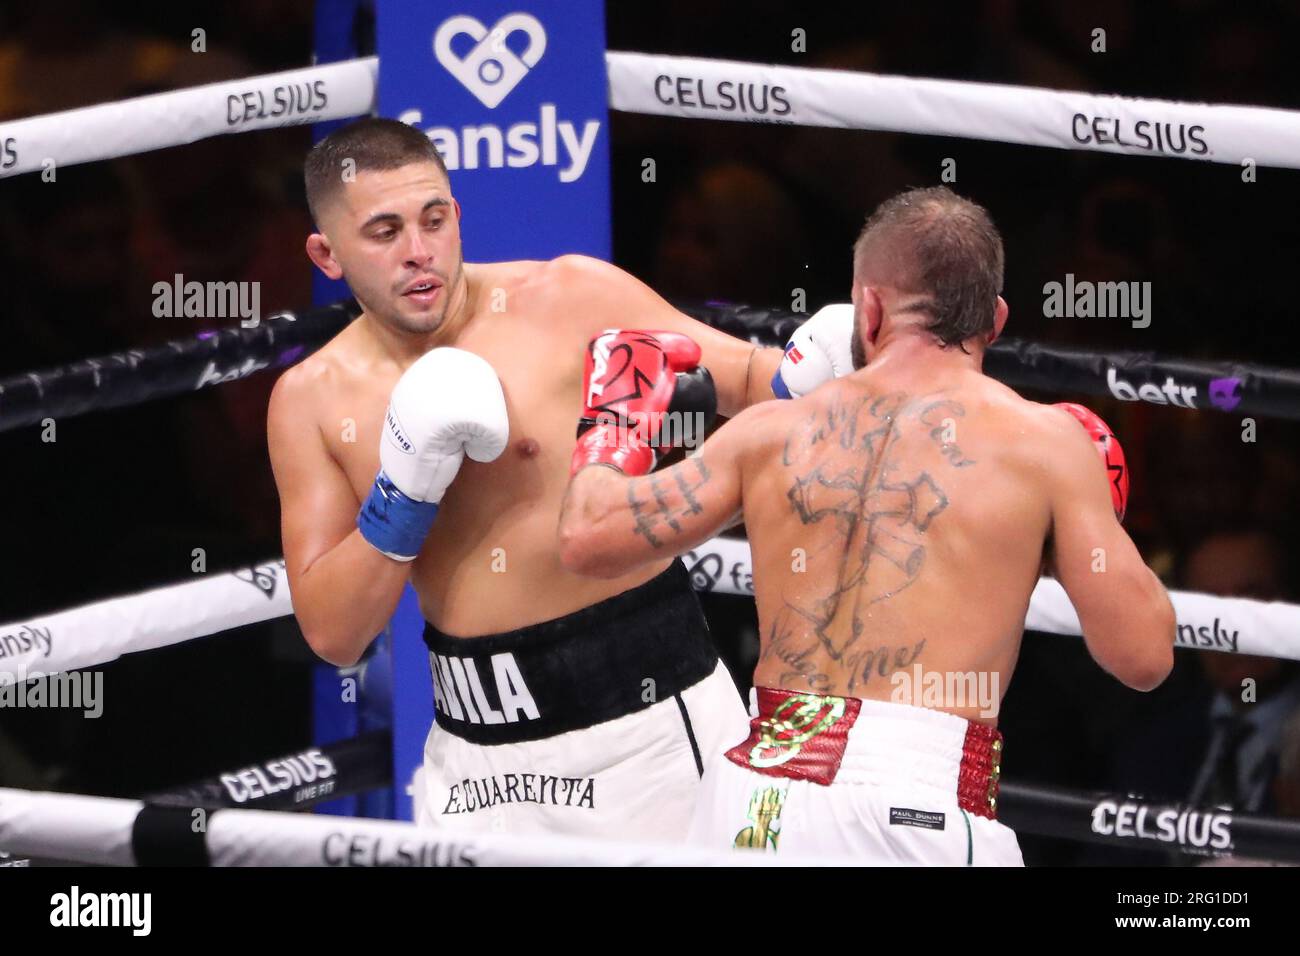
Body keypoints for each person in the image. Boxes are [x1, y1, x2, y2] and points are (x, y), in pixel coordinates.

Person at [558, 185, 1176, 863]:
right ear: (994, 320)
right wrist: (1076, 516)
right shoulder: (1045, 445)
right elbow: (1144, 658)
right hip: (916, 807)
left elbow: (590, 537)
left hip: (755, 802)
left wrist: (612, 428)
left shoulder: (773, 430)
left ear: (870, 307)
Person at [267, 116, 833, 842]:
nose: (419, 252)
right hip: (473, 757)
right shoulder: (311, 399)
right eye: (384, 232)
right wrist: (404, 491)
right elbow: (334, 633)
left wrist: (826, 365)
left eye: (434, 220)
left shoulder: (570, 298)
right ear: (327, 254)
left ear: (457, 216)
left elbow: (751, 379)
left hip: (647, 732)